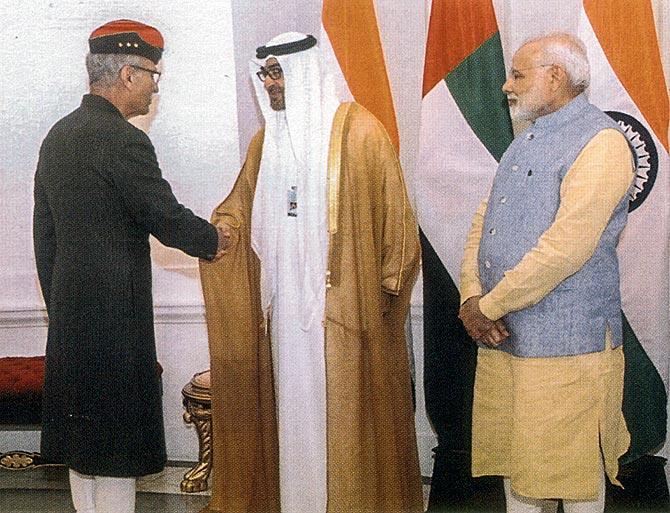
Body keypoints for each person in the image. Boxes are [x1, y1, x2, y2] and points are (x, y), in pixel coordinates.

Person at [199, 32, 423, 513]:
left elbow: (400, 227)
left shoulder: (362, 133)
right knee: (293, 420)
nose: (271, 84)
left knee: (344, 423)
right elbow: (237, 211)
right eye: (266, 75)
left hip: (348, 316)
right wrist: (214, 231)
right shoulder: (266, 143)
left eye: (278, 73)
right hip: (284, 318)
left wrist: (384, 294)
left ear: (304, 72)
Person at [33, 19, 228, 513]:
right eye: (153, 76)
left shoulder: (58, 136)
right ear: (127, 73)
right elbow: (165, 218)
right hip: (116, 320)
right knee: (116, 449)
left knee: (84, 449)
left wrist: (59, 305)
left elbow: (44, 236)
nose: (155, 87)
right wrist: (216, 241)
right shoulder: (122, 139)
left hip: (71, 317)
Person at [458, 33, 633, 513]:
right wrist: (470, 298)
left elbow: (566, 249)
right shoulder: (527, 139)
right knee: (522, 473)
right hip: (506, 335)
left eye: (518, 73)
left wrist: (487, 307)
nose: (506, 85)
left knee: (573, 476)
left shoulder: (602, 142)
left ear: (556, 76)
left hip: (566, 347)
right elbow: (483, 221)